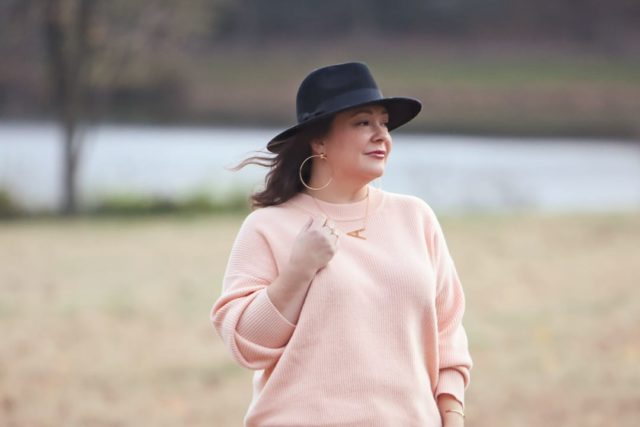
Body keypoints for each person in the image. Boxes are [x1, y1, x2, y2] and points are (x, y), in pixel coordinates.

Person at [211, 62, 472, 427]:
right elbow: (245, 344)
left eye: (384, 122)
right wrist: (298, 272)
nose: (381, 135)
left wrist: (452, 415)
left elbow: (447, 334)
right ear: (319, 139)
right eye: (363, 122)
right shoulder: (268, 227)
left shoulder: (416, 217)